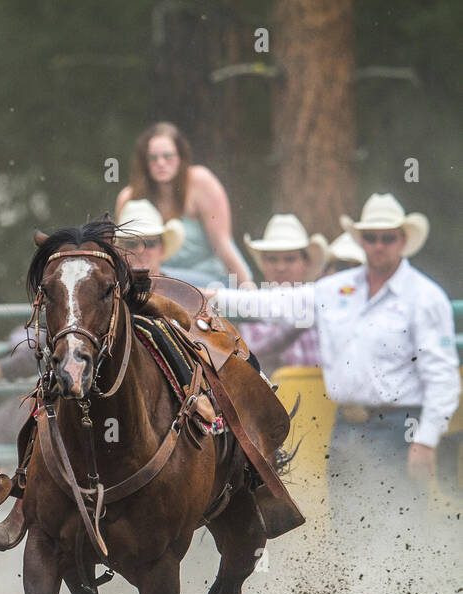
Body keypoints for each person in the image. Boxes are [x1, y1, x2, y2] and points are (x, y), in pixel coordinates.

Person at [209, 193, 458, 527]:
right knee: (347, 524)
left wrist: (425, 441)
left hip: (400, 427)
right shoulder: (336, 290)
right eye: (371, 237)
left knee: (400, 526)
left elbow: (442, 377)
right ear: (361, 240)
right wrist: (216, 297)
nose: (379, 245)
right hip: (347, 426)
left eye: (387, 237)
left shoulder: (425, 298)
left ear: (402, 241)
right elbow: (278, 304)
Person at [0, 201, 183, 444]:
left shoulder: (182, 295)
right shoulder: (97, 291)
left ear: (163, 248)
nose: (141, 250)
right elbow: (43, 347)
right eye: (130, 243)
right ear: (118, 249)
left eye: (150, 243)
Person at [116, 121, 254, 288]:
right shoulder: (130, 197)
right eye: (153, 158)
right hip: (152, 281)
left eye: (168, 156)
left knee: (159, 281)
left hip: (207, 282)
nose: (160, 163)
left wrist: (247, 286)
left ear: (181, 158)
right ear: (144, 162)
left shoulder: (201, 182)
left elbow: (223, 243)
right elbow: (122, 254)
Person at [236, 214, 328, 374]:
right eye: (272, 259)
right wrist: (298, 321)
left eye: (290, 259)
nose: (280, 267)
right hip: (273, 395)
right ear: (263, 264)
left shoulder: (323, 300)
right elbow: (255, 349)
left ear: (306, 263)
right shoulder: (252, 305)